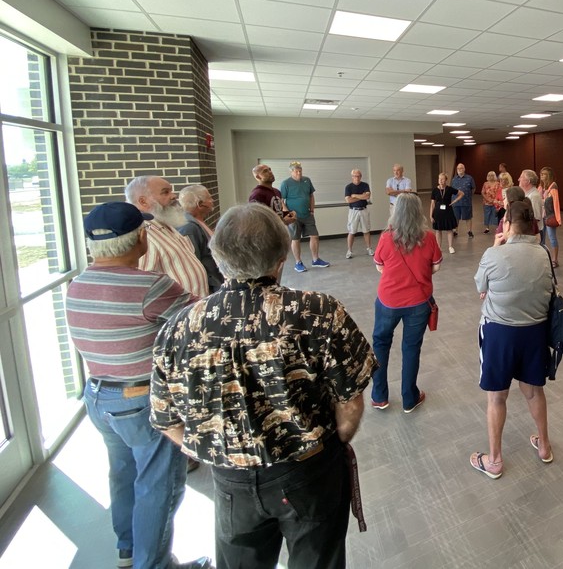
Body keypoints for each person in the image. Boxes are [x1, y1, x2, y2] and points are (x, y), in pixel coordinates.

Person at [150, 203, 376, 569]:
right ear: (282, 257)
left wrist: (218, 451)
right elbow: (350, 401)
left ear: (217, 258)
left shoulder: (179, 327)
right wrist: (335, 442)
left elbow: (166, 418)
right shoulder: (318, 312)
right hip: (308, 470)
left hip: (230, 482)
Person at [66, 201, 210, 569]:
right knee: (159, 488)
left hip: (98, 398)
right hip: (142, 402)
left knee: (124, 475)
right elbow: (204, 317)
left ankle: (129, 552)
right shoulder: (150, 285)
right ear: (140, 238)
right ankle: (154, 564)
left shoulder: (77, 284)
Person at [471, 201, 554, 479]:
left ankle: (494, 460)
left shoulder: (494, 254)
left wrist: (496, 246)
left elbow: (480, 285)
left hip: (500, 333)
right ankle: (544, 446)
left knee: (497, 397)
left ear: (507, 224)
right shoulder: (543, 253)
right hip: (535, 332)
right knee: (533, 391)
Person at [370, 193, 442, 412]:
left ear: (396, 212)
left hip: (388, 301)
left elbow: (379, 266)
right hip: (418, 303)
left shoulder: (386, 237)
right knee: (411, 348)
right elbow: (436, 266)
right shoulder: (429, 237)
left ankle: (379, 397)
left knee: (380, 344)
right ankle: (409, 399)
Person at [125, 176, 208, 299]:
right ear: (143, 201)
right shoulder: (144, 235)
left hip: (193, 306)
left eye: (171, 191)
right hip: (175, 310)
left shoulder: (166, 225)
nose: (174, 196)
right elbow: (142, 288)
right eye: (165, 192)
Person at [279, 161, 330, 273]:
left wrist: (312, 210)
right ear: (291, 171)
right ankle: (298, 263)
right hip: (293, 216)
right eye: (296, 171)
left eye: (300, 171)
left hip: (307, 214)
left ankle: (315, 260)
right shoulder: (285, 183)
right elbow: (281, 201)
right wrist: (288, 214)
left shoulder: (307, 180)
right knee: (296, 239)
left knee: (314, 236)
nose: (299, 173)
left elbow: (311, 196)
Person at [176, 184, 224, 291]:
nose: (212, 200)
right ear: (200, 204)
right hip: (209, 286)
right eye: (209, 198)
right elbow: (194, 263)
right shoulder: (189, 228)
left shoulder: (197, 222)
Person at [430, 172, 464, 254]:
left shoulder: (449, 189)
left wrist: (454, 201)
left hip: (448, 211)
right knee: (438, 230)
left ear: (446, 180)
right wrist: (431, 215)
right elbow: (432, 204)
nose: (440, 180)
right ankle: (438, 247)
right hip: (438, 213)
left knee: (449, 229)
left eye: (442, 179)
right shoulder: (435, 190)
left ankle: (450, 247)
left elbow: (461, 193)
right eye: (439, 179)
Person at [344, 168, 373, 258]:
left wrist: (355, 195)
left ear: (361, 176)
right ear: (352, 177)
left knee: (366, 230)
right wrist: (361, 196)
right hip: (353, 211)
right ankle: (349, 251)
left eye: (358, 176)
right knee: (351, 231)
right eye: (355, 176)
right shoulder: (348, 187)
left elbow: (367, 196)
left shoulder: (365, 185)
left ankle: (369, 248)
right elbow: (348, 200)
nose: (357, 178)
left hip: (364, 210)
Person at [539, 167, 561, 266]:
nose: (542, 175)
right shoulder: (541, 187)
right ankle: (542, 258)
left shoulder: (553, 187)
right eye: (541, 174)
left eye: (544, 174)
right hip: (541, 216)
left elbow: (555, 203)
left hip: (549, 216)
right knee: (541, 239)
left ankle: (555, 260)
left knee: (552, 238)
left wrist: (558, 218)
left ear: (549, 176)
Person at [451, 163, 476, 238]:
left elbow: (473, 188)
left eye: (461, 168)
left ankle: (469, 231)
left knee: (468, 217)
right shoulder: (454, 179)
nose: (460, 170)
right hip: (456, 202)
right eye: (458, 168)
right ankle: (455, 231)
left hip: (466, 202)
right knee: (456, 217)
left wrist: (469, 195)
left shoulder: (469, 178)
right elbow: (452, 190)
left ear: (464, 169)